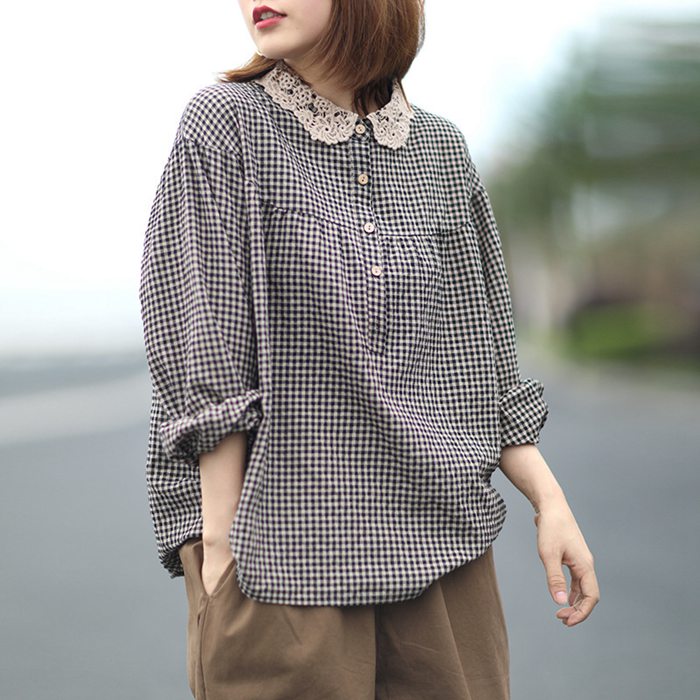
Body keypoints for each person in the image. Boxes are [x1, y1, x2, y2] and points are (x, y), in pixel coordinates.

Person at [138, 1, 600, 698]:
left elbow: (480, 356)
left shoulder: (440, 151)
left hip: (443, 548)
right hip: (278, 553)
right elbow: (202, 342)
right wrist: (223, 551)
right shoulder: (225, 123)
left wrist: (550, 502)